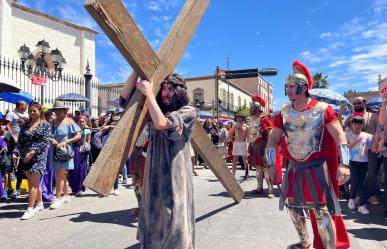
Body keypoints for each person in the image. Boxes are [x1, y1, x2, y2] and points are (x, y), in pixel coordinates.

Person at [265, 60, 350, 249]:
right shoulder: (283, 113)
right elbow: (273, 139)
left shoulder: (323, 109)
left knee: (321, 211)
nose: (287, 90)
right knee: (294, 208)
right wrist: (271, 164)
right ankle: (304, 241)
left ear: (303, 87)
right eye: (286, 86)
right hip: (294, 168)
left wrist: (344, 164)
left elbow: (340, 137)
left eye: (291, 86)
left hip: (317, 168)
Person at [121, 71, 196, 248]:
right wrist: (137, 69)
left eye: (170, 88)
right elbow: (124, 99)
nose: (165, 92)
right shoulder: (155, 109)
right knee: (152, 213)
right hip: (153, 172)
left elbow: (162, 124)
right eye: (163, 88)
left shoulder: (188, 112)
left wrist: (149, 94)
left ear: (180, 91)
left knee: (173, 215)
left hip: (174, 174)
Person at [12, 102, 51, 220]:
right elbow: (20, 141)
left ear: (40, 111)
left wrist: (32, 152)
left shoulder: (45, 125)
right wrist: (15, 152)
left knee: (33, 183)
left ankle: (30, 209)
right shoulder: (25, 125)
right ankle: (39, 204)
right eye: (30, 111)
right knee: (32, 182)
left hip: (38, 156)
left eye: (34, 110)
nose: (32, 113)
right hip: (25, 156)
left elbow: (44, 142)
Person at [48, 101, 81, 209]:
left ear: (64, 110)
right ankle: (66, 195)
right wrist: (51, 139)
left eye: (59, 109)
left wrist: (66, 142)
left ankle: (58, 198)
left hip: (64, 152)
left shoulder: (69, 121)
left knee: (59, 174)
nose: (57, 111)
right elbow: (47, 135)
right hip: (54, 152)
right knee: (61, 174)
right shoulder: (52, 122)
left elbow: (78, 136)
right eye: (56, 110)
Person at [248, 95, 280, 198]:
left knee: (266, 168)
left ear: (257, 109)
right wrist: (250, 145)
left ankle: (271, 189)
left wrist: (268, 146)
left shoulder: (264, 119)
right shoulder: (252, 119)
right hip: (255, 145)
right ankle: (259, 187)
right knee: (258, 168)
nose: (251, 110)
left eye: (253, 108)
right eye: (251, 108)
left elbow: (270, 132)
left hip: (263, 145)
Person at [346, 113, 373, 214]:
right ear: (352, 125)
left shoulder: (367, 136)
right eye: (355, 124)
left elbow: (371, 148)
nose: (357, 126)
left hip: (364, 162)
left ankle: (362, 205)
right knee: (353, 182)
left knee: (362, 183)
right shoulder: (347, 135)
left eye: (360, 124)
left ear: (363, 125)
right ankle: (351, 199)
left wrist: (379, 140)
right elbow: (346, 147)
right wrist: (356, 140)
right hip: (352, 162)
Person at [6, 100, 29, 199]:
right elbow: (7, 125)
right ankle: (11, 188)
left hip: (24, 143)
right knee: (11, 165)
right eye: (25, 105)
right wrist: (13, 137)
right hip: (13, 143)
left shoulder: (27, 114)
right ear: (20, 106)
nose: (27, 106)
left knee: (24, 165)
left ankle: (20, 187)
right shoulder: (11, 114)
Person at [68, 116, 91, 196]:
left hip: (83, 151)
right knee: (73, 169)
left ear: (86, 122)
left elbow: (88, 141)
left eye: (83, 122)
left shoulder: (87, 131)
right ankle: (74, 188)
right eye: (80, 122)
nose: (81, 123)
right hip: (75, 149)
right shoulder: (75, 130)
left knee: (81, 169)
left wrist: (87, 150)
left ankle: (80, 188)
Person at [228, 114, 250, 179]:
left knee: (244, 160)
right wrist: (228, 140)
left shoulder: (247, 127)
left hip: (243, 143)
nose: (238, 120)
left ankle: (247, 173)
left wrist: (248, 145)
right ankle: (233, 175)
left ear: (243, 119)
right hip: (236, 144)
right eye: (237, 118)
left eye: (239, 118)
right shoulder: (235, 126)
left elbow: (248, 138)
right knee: (234, 160)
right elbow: (230, 134)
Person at [0, 118, 15, 200]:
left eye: (2, 124)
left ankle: (5, 191)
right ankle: (6, 190)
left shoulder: (8, 134)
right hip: (0, 156)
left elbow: (13, 145)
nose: (1, 126)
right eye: (0, 124)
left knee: (6, 173)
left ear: (5, 126)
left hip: (6, 156)